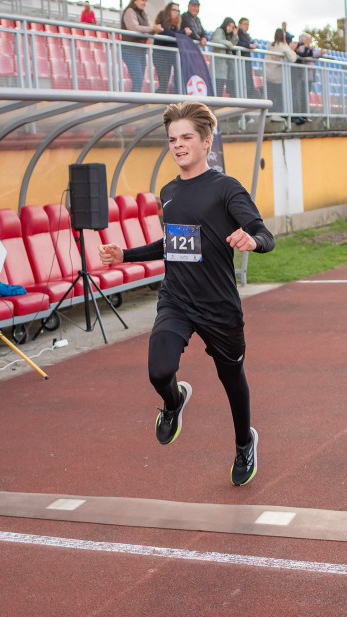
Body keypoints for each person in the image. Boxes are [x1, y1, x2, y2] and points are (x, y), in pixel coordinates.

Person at [98, 101, 275, 486]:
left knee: (232, 379)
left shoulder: (225, 187)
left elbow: (265, 233)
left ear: (206, 142)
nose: (177, 145)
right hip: (177, 298)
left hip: (218, 305)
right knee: (158, 370)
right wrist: (125, 255)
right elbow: (174, 244)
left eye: (186, 138)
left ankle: (245, 442)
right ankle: (174, 401)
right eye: (172, 139)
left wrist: (253, 240)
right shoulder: (169, 191)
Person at [120, 0, 160, 93]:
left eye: (145, 1)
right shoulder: (130, 11)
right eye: (142, 0)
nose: (144, 3)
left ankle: (133, 103)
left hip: (140, 51)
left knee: (139, 81)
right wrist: (151, 29)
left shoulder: (143, 13)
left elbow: (147, 28)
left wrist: (154, 30)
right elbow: (134, 28)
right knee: (138, 80)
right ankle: (132, 104)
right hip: (130, 50)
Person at [264, 27, 296, 119]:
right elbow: (293, 59)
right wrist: (292, 49)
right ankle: (277, 115)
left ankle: (269, 114)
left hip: (268, 74)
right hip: (277, 77)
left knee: (270, 96)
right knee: (279, 97)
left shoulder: (270, 46)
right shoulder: (283, 46)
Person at [153, 2, 185, 94]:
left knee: (178, 80)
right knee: (163, 84)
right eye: (174, 10)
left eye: (178, 10)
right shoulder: (162, 22)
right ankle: (155, 102)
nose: (176, 12)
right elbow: (167, 34)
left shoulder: (176, 26)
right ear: (168, 11)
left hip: (171, 57)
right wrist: (182, 33)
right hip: (160, 56)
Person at [208, 17, 238, 98]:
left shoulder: (227, 35)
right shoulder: (219, 31)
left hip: (224, 70)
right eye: (229, 26)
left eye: (232, 27)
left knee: (220, 92)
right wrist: (228, 43)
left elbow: (232, 45)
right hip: (218, 69)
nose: (230, 29)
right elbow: (216, 40)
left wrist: (234, 36)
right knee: (217, 92)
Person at [235, 17, 259, 99]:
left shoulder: (247, 35)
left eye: (248, 24)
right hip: (241, 61)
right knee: (243, 81)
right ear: (239, 24)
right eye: (245, 24)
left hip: (246, 61)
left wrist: (251, 45)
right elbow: (237, 43)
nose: (247, 26)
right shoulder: (238, 33)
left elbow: (251, 42)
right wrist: (248, 45)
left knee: (248, 82)